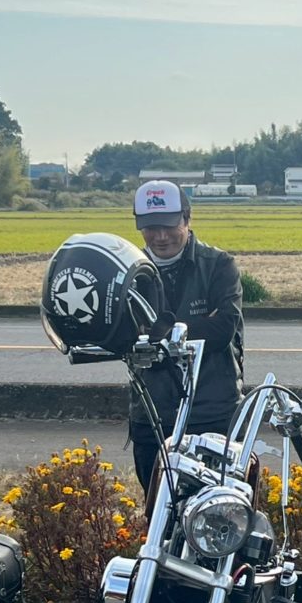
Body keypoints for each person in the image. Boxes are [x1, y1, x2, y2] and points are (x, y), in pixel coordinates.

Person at [130, 179, 244, 494]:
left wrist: (155, 333)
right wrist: (194, 327)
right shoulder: (128, 272)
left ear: (187, 218)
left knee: (216, 508)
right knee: (157, 510)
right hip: (151, 415)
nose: (161, 236)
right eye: (151, 227)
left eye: (169, 225)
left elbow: (222, 331)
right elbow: (120, 336)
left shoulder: (219, 265)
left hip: (212, 414)